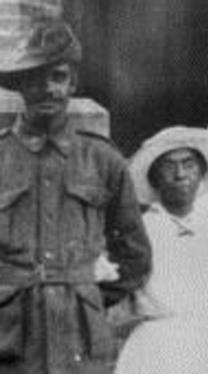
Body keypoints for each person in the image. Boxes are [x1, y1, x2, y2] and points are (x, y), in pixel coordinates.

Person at [0, 20, 152, 374]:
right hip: (10, 339)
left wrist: (87, 294)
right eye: (34, 79)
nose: (48, 89)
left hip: (81, 339)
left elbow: (135, 254)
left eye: (57, 77)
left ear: (72, 83)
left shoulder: (103, 160)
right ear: (20, 86)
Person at [116, 126, 208, 373]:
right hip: (157, 348)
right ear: (154, 177)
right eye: (169, 166)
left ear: (201, 172)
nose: (180, 174)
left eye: (189, 165)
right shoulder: (140, 231)